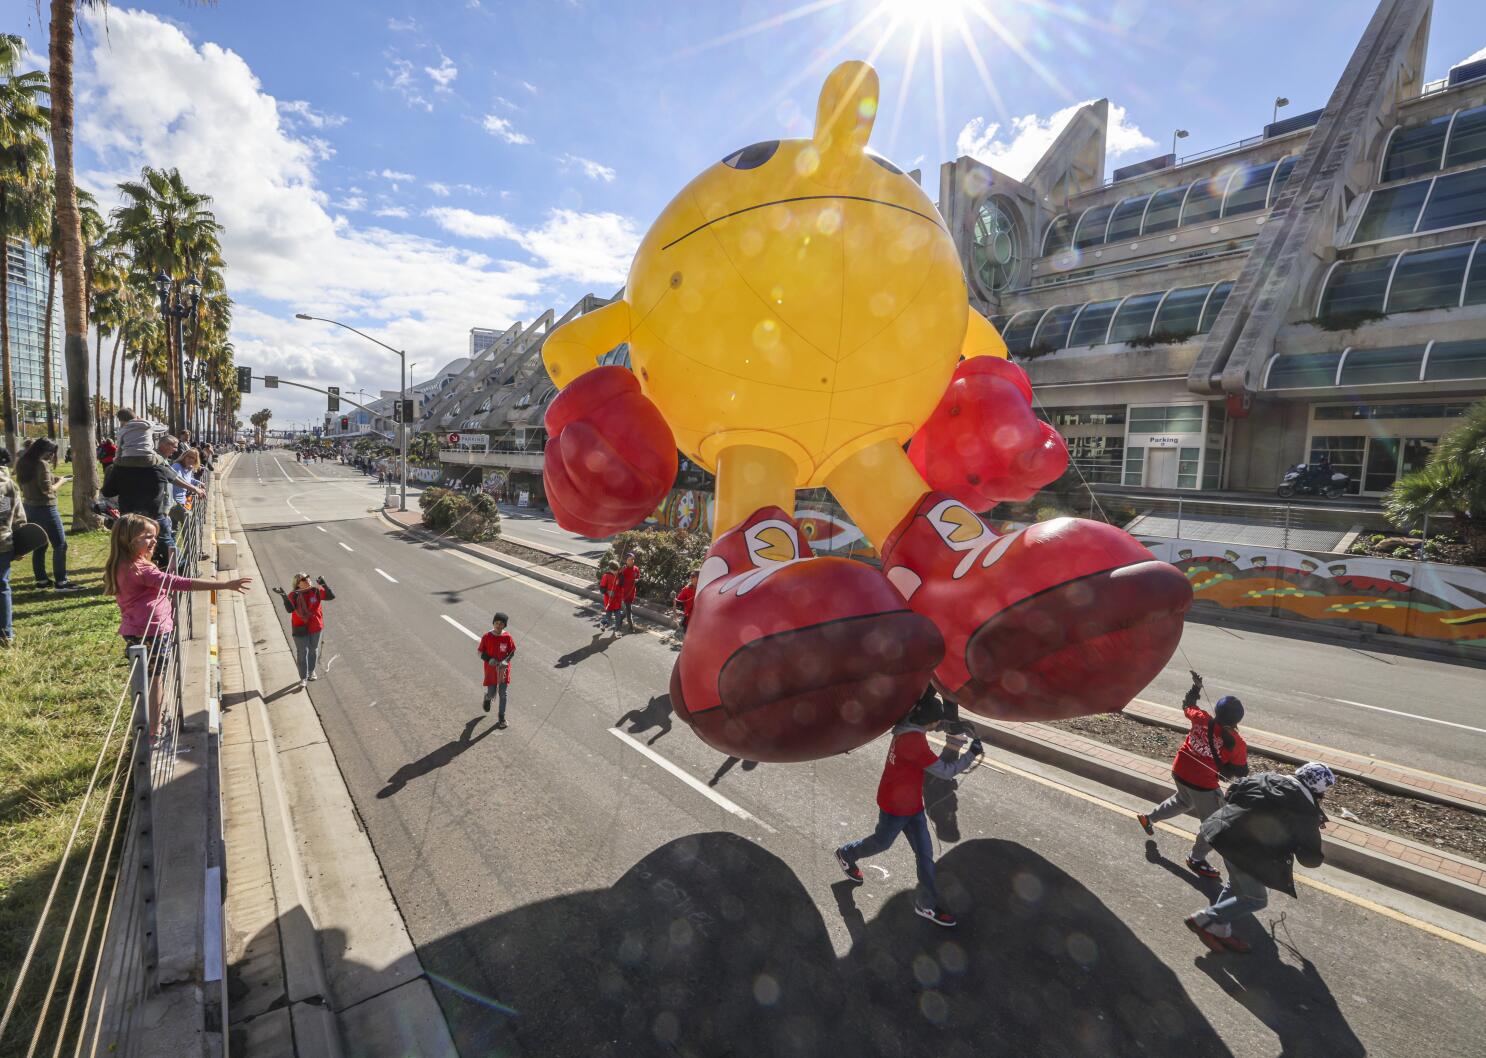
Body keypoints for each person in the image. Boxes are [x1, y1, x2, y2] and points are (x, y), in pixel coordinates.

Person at [835, 687, 982, 927]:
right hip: (894, 807)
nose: (937, 726)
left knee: (925, 854)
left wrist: (954, 726)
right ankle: (846, 854)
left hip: (912, 805)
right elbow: (945, 772)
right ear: (928, 722)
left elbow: (929, 716)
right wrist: (971, 754)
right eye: (936, 723)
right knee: (882, 843)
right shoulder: (913, 743)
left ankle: (926, 904)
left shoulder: (909, 723)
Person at [104, 513, 250, 733]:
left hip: (135, 629)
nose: (154, 541)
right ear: (129, 539)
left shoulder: (121, 565)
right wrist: (224, 585)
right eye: (147, 537)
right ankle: (155, 728)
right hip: (153, 631)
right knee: (155, 680)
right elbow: (179, 583)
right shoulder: (142, 570)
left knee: (147, 677)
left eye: (155, 536)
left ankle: (152, 722)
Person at [1185, 762, 1334, 954]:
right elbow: (1309, 859)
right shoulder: (1306, 811)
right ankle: (1204, 920)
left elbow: (1233, 791)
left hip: (1221, 834)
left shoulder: (1267, 777)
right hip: (1247, 852)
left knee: (1236, 884)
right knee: (1257, 899)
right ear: (1320, 791)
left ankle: (1219, 928)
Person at [1136, 671, 1248, 879]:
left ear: (1218, 711)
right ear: (1238, 719)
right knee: (1215, 825)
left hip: (1179, 769)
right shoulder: (1237, 742)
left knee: (1183, 800)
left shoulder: (1201, 718)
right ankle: (1196, 859)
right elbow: (1239, 772)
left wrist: (1196, 687)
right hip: (1202, 783)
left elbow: (1187, 704)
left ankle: (1149, 818)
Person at [13, 438, 76, 590]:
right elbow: (47, 490)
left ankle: (42, 581)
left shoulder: (23, 462)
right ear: (43, 451)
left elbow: (29, 482)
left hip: (29, 507)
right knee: (60, 544)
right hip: (45, 508)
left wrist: (54, 478)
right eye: (51, 453)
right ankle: (61, 582)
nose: (51, 457)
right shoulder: (42, 464)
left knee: (40, 544)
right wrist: (61, 482)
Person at [274, 573, 335, 688]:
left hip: (315, 627)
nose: (307, 579)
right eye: (303, 579)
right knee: (302, 653)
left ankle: (311, 671)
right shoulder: (293, 595)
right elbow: (289, 609)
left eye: (307, 577)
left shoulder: (315, 591)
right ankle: (303, 677)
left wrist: (324, 584)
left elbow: (331, 596)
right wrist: (283, 595)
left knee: (313, 650)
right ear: (298, 583)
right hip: (300, 628)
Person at [0, 452, 27, 647]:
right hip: (3, 542)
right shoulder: (9, 485)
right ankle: (6, 634)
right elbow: (18, 517)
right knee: (2, 587)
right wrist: (21, 544)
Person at [478, 611, 517, 728]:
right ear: (493, 623)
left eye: (501, 623)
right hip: (491, 671)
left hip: (503, 670)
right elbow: (480, 652)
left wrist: (506, 660)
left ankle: (501, 717)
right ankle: (487, 698)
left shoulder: (507, 637)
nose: (498, 625)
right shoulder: (487, 636)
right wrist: (489, 659)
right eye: (496, 623)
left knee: (503, 694)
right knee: (491, 693)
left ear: (505, 625)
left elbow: (512, 651)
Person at [618, 552, 641, 632]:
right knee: (629, 611)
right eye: (629, 559)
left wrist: (637, 580)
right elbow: (618, 578)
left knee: (626, 610)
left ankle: (619, 619)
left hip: (632, 593)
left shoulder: (636, 569)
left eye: (632, 559)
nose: (631, 561)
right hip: (624, 593)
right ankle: (631, 627)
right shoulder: (623, 569)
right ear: (626, 560)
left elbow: (638, 576)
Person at [598, 563, 624, 633]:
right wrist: (607, 591)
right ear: (610, 569)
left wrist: (620, 579)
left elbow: (622, 583)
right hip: (609, 601)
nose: (616, 572)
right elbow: (601, 588)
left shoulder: (619, 575)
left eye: (617, 570)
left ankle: (617, 631)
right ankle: (603, 623)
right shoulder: (606, 576)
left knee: (618, 617)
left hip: (617, 600)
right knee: (608, 619)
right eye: (614, 570)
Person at [674, 570, 698, 635]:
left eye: (693, 576)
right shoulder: (687, 589)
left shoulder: (706, 589)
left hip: (700, 620)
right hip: (689, 619)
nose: (690, 578)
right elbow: (679, 600)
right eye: (690, 576)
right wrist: (674, 598)